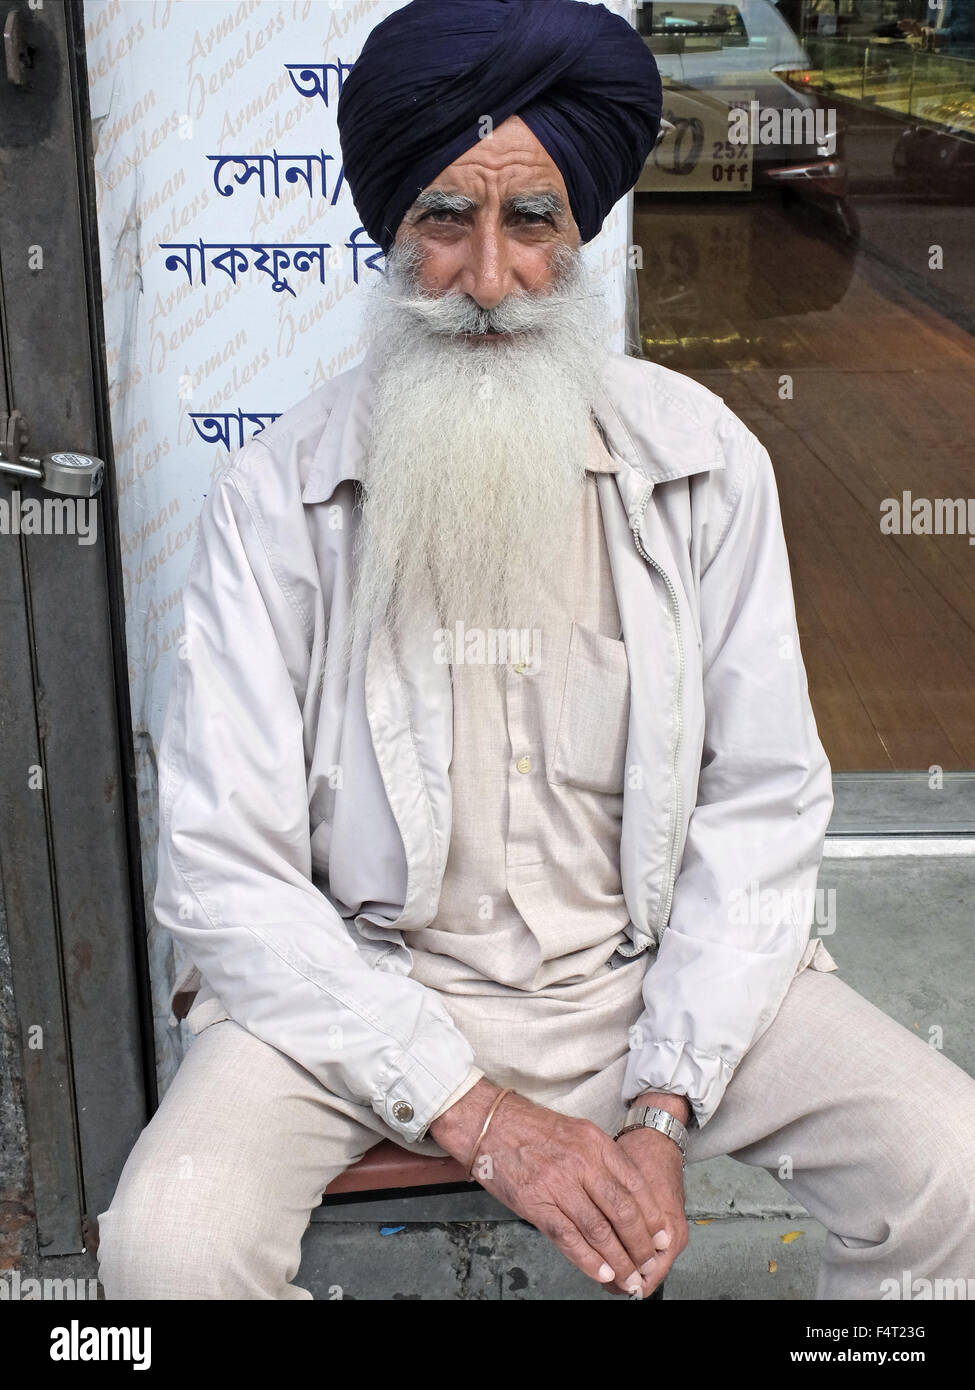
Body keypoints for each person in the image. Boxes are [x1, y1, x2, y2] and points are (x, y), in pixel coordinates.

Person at [97, 0, 975, 1301]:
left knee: (956, 1172)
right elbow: (228, 868)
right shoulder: (279, 498)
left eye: (533, 221)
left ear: (585, 233)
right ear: (391, 229)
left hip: (648, 977)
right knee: (164, 1246)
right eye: (445, 219)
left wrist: (665, 1100)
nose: (492, 279)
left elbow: (764, 798)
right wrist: (476, 1111)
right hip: (364, 986)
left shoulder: (703, 462)